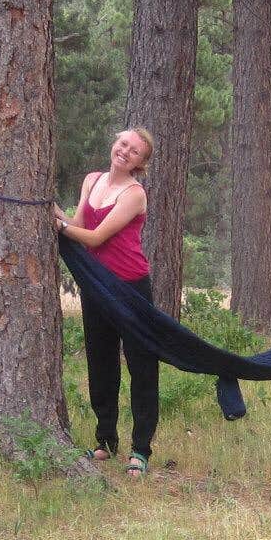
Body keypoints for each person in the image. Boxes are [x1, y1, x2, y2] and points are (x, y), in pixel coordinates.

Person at [54, 127, 160, 477]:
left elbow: (96, 237)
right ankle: (106, 441)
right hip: (96, 284)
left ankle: (140, 449)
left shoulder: (134, 194)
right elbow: (78, 225)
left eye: (134, 151)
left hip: (130, 288)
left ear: (140, 163)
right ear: (115, 143)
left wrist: (58, 226)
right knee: (100, 362)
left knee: (141, 366)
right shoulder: (92, 180)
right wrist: (52, 212)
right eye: (123, 144)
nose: (125, 151)